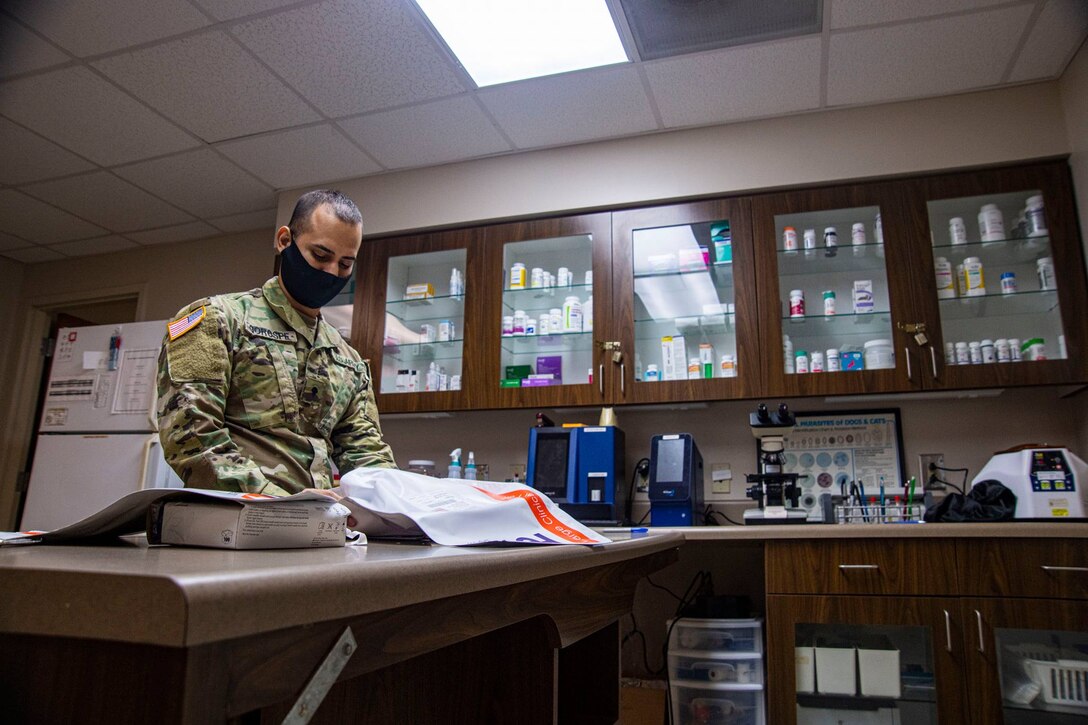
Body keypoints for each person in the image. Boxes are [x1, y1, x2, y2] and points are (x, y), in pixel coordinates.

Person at [156, 189, 396, 496]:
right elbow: (191, 435)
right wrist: (285, 505)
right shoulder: (217, 319)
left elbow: (367, 455)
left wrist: (397, 506)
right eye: (321, 256)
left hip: (317, 527)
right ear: (284, 241)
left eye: (345, 264)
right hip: (235, 523)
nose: (331, 272)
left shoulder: (346, 359)